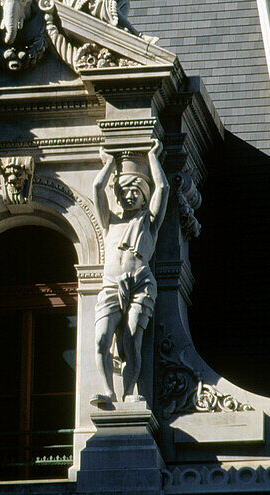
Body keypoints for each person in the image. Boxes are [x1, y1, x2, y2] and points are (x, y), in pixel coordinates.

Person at [90, 141, 168, 408]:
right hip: (111, 286)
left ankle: (129, 391)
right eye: (124, 191)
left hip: (141, 285)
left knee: (132, 339)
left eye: (136, 190)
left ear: (144, 196)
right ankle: (107, 391)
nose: (129, 195)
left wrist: (152, 156)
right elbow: (97, 189)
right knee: (102, 339)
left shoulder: (149, 222)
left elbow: (163, 188)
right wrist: (109, 162)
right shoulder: (109, 221)